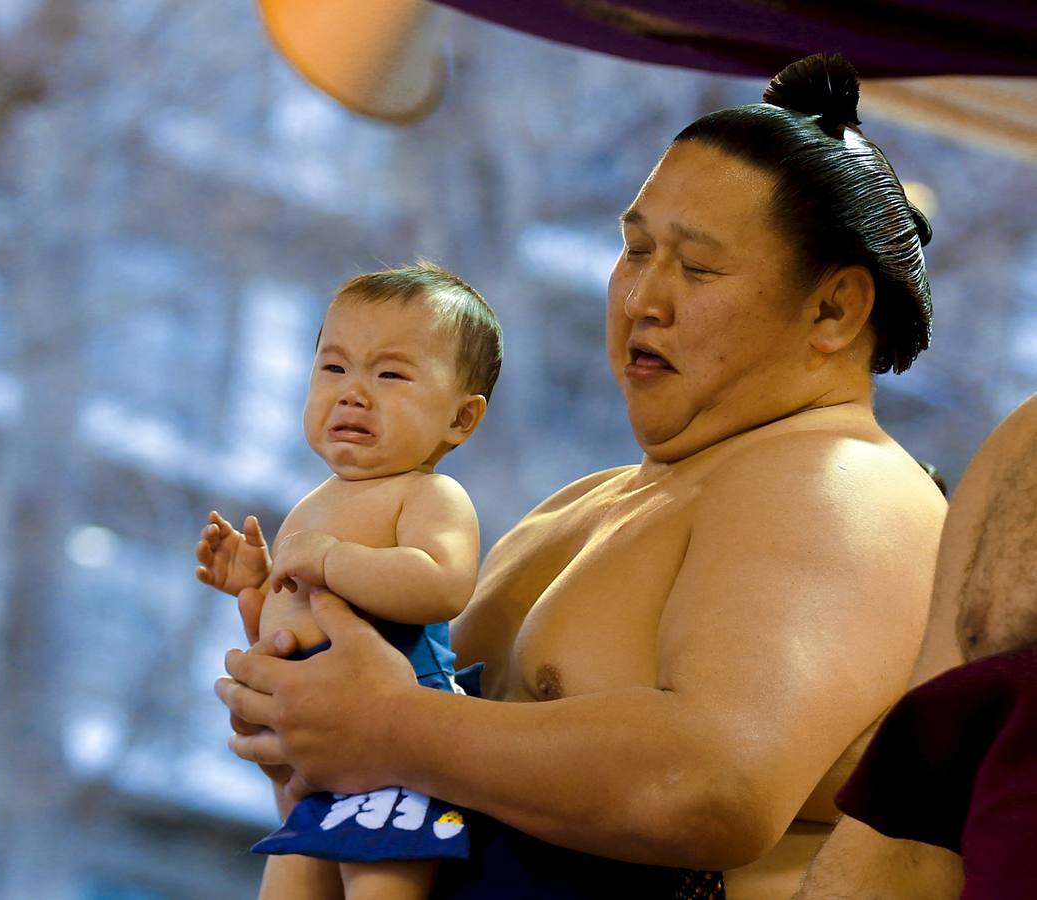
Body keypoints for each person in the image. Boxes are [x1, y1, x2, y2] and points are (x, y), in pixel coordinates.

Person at [216, 53, 947, 899]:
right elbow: (438, 757)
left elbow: (718, 783)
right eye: (634, 250)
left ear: (834, 309)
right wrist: (310, 721)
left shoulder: (843, 484)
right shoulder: (589, 503)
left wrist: (387, 723)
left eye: (697, 267)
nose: (643, 298)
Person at [195, 262, 503, 899]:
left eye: (389, 374)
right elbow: (295, 632)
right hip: (318, 753)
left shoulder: (429, 495)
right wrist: (255, 592)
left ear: (461, 418)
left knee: (381, 888)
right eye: (334, 368)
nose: (353, 392)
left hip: (399, 752)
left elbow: (443, 583)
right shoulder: (314, 505)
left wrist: (331, 559)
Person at [793, 391, 1037, 900]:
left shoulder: (872, 490)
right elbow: (905, 834)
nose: (642, 307)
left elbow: (716, 794)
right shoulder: (1023, 443)